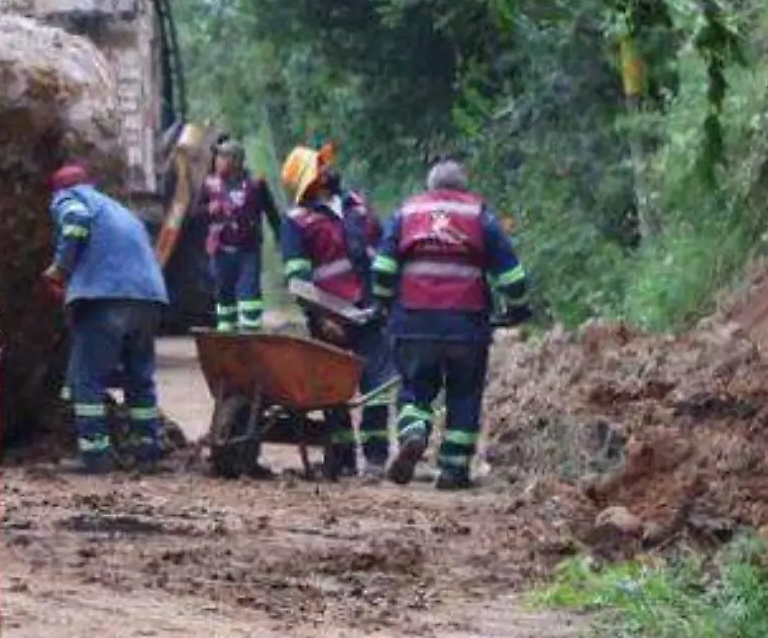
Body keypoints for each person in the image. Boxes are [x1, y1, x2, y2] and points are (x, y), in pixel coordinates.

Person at [371, 158, 531, 490]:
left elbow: (384, 267)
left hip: (413, 321)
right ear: (462, 187)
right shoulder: (478, 215)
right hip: (466, 325)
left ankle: (414, 432)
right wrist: (516, 309)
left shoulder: (407, 213)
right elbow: (511, 275)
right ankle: (454, 470)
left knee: (415, 388)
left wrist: (384, 304)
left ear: (431, 186)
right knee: (463, 393)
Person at [44, 161, 170, 474]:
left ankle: (95, 455)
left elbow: (75, 221)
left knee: (86, 379)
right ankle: (147, 450)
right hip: (148, 299)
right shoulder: (118, 210)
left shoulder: (70, 199)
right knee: (139, 377)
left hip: (105, 299)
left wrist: (61, 268)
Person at [278, 145, 384, 478]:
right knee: (332, 390)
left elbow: (382, 252)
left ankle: (377, 459)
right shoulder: (297, 222)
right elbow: (298, 278)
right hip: (331, 317)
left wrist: (387, 300)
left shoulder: (357, 205)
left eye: (323, 164)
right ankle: (342, 459)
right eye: (318, 167)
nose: (326, 169)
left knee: (376, 386)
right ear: (310, 182)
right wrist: (319, 317)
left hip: (370, 311)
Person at [201, 139, 280, 333]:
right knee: (223, 294)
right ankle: (226, 336)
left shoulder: (256, 184)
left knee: (249, 293)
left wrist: (281, 238)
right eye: (217, 156)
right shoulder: (209, 185)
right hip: (221, 251)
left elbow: (272, 214)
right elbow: (196, 213)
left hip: (248, 250)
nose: (217, 161)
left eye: (222, 157)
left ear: (235, 160)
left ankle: (251, 334)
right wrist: (207, 210)